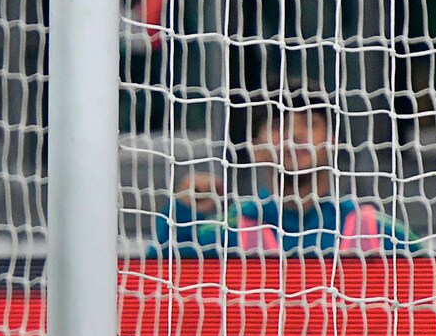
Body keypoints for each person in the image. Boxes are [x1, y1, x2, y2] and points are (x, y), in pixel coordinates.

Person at [152, 98, 419, 255]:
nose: (295, 135)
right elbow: (154, 291)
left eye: (310, 124)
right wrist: (182, 213)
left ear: (334, 143)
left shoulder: (382, 233)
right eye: (279, 125)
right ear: (255, 148)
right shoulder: (226, 232)